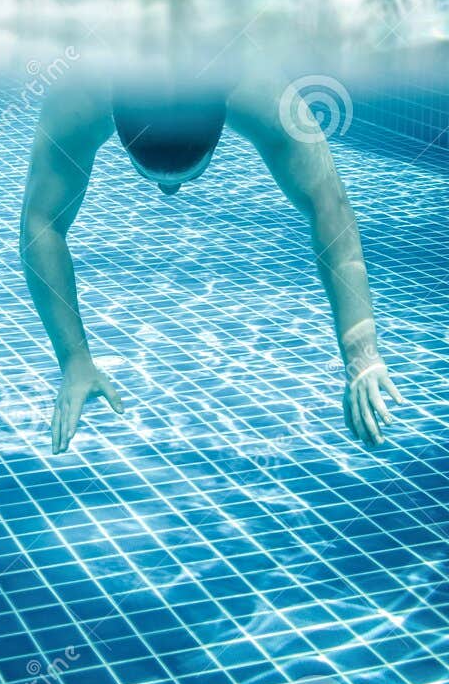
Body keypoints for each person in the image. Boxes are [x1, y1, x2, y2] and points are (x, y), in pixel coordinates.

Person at [20, 79, 401, 453]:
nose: (170, 193)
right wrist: (73, 359)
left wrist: (361, 352)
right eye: (145, 173)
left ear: (220, 130)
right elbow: (40, 225)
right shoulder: (85, 89)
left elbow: (329, 205)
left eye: (192, 175)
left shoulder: (254, 85)